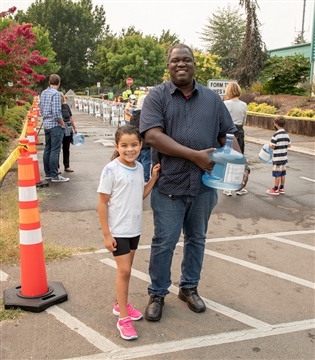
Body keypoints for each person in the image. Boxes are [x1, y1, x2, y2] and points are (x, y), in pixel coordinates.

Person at [139, 43, 250, 322]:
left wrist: (240, 165)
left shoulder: (213, 100)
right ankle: (157, 293)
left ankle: (189, 288)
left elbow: (228, 134)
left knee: (197, 239)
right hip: (169, 186)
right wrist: (195, 157)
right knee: (164, 241)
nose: (181, 64)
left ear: (194, 65)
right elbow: (152, 136)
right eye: (175, 60)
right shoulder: (157, 97)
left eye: (186, 60)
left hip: (204, 186)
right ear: (169, 65)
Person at [97, 125, 160, 340]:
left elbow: (139, 194)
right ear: (117, 146)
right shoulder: (111, 169)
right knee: (124, 271)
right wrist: (107, 234)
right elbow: (102, 203)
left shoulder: (140, 167)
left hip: (135, 228)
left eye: (134, 145)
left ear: (141, 146)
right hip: (118, 230)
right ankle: (123, 318)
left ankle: (119, 304)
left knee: (127, 270)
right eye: (124, 145)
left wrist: (152, 178)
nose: (129, 149)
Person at [40, 74, 69, 183]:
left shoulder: (43, 93)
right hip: (55, 125)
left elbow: (41, 108)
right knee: (55, 150)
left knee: (47, 149)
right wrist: (62, 123)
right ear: (59, 83)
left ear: (49, 82)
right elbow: (57, 112)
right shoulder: (56, 94)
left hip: (46, 124)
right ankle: (54, 175)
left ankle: (48, 173)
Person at [223, 82, 248, 196]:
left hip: (228, 132)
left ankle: (226, 187)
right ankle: (239, 186)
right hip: (239, 131)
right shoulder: (244, 104)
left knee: (227, 159)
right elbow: (244, 121)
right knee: (239, 158)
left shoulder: (226, 104)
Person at [267, 116, 291, 195]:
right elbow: (289, 144)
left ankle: (275, 189)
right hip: (284, 157)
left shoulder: (275, 135)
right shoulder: (286, 134)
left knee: (277, 174)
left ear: (276, 124)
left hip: (277, 158)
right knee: (283, 173)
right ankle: (282, 188)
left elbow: (273, 146)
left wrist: (269, 144)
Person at [130, 95, 151, 182]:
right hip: (145, 141)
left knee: (137, 160)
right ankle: (145, 179)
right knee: (146, 161)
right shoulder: (146, 115)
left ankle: (136, 177)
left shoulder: (133, 115)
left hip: (136, 141)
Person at [59, 94, 77, 172]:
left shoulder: (66, 106)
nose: (61, 99)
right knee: (57, 149)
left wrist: (74, 127)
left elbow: (71, 117)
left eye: (61, 98)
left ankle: (67, 166)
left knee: (66, 148)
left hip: (68, 128)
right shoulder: (56, 107)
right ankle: (57, 167)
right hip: (60, 128)